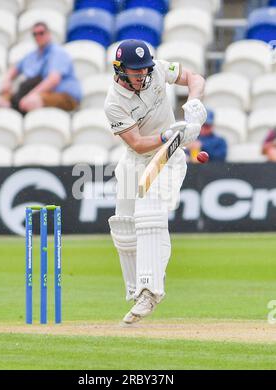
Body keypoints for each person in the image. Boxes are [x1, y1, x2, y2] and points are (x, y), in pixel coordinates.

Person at [104, 39, 206, 324]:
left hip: (169, 158)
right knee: (124, 225)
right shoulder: (113, 103)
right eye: (135, 72)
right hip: (137, 158)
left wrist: (194, 102)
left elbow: (194, 78)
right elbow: (137, 144)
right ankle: (135, 289)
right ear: (120, 69)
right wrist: (168, 135)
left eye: (144, 70)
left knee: (150, 214)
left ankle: (151, 290)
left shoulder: (158, 70)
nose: (142, 76)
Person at [0, 22, 81, 114]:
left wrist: (30, 95)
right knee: (2, 101)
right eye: (35, 34)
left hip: (65, 96)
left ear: (48, 34)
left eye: (41, 33)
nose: (38, 36)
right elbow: (15, 69)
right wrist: (7, 80)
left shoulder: (57, 53)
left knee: (31, 102)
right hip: (42, 94)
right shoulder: (32, 55)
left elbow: (53, 80)